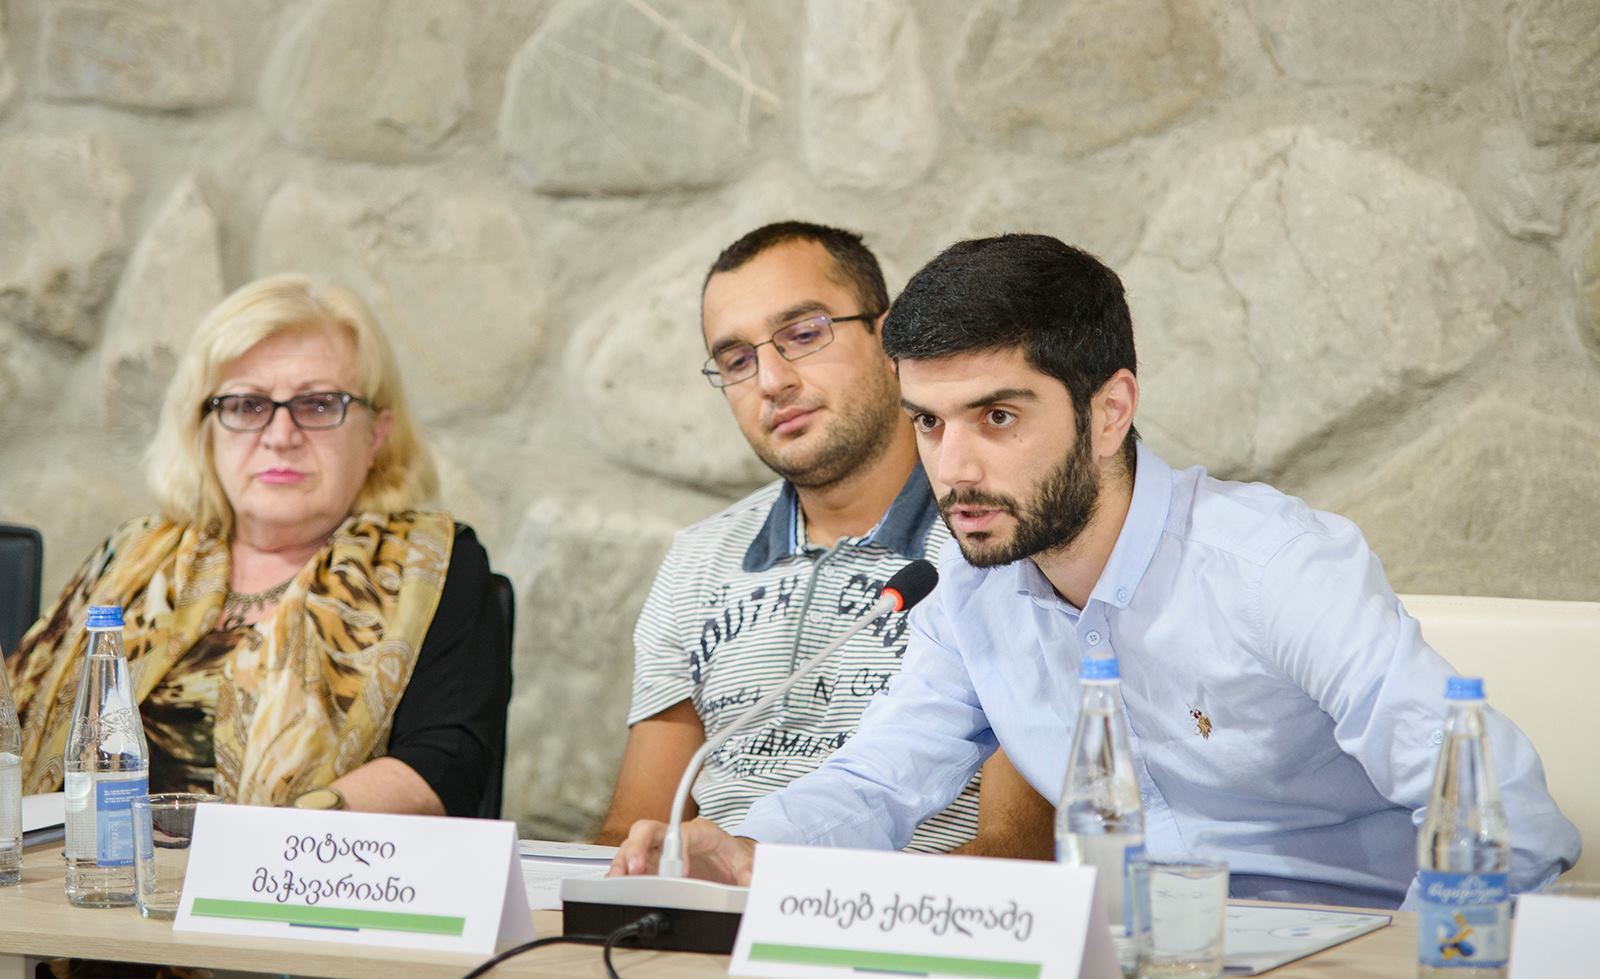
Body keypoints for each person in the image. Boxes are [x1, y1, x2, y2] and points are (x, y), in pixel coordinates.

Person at [611, 233, 1580, 908]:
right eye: (929, 423)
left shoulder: (1274, 565)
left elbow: (1508, 822)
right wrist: (747, 847)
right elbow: (875, 782)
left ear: (1109, 411)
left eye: (997, 416)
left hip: (1342, 944)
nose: (954, 469)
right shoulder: (969, 593)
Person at [593, 222, 1054, 857]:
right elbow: (636, 827)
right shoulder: (699, 559)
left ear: (890, 342)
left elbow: (1014, 849)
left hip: (905, 907)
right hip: (714, 899)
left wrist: (815, 902)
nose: (771, 380)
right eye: (737, 360)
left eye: (804, 334)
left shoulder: (995, 536)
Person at [6, 274, 509, 817]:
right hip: (88, 861)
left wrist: (276, 840)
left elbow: (444, 766)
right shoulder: (130, 555)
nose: (281, 435)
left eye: (319, 405)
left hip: (304, 865)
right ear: (205, 429)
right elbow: (16, 718)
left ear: (376, 433)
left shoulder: (429, 567)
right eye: (247, 406)